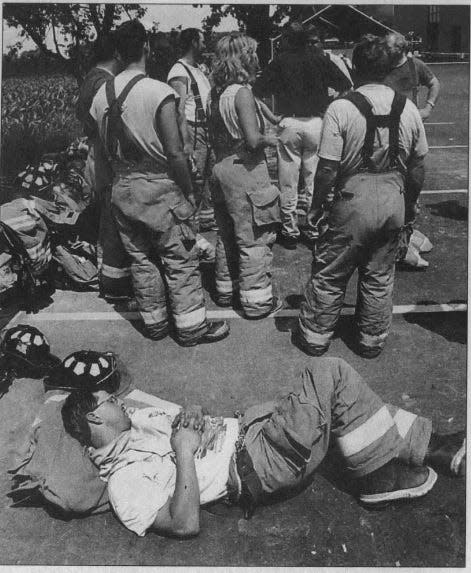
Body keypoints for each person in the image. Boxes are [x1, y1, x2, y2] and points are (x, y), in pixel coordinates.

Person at [62, 355, 465, 538]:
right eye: (108, 401)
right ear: (94, 419)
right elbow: (184, 524)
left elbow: (184, 413)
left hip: (253, 429)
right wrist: (184, 450)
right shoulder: (123, 482)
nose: (119, 401)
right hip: (258, 463)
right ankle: (378, 478)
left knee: (341, 406)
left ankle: (432, 447)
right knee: (329, 374)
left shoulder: (140, 422)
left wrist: (196, 412)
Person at [89, 20, 229, 346]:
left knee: (141, 260)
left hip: (122, 186)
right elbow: (176, 153)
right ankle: (192, 327)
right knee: (180, 257)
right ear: (147, 47)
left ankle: (155, 324)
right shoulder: (158, 91)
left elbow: (100, 152)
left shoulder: (100, 96)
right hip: (159, 185)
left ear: (118, 52)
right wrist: (190, 192)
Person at [294, 35, 428, 359]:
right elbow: (419, 164)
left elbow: (327, 168)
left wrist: (314, 209)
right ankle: (371, 339)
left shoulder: (341, 107)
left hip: (352, 199)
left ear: (354, 67)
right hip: (394, 197)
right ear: (389, 68)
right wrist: (408, 204)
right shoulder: (408, 107)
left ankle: (316, 335)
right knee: (380, 274)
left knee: (330, 271)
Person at [254, 22, 351, 250]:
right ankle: (313, 227)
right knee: (313, 179)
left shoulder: (279, 61)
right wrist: (328, 107)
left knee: (288, 180)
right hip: (316, 122)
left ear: (287, 39)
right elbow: (346, 86)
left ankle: (289, 230)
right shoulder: (320, 58)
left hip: (289, 122)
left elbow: (256, 93)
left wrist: (272, 117)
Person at [207, 33, 282, 318]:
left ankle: (225, 288)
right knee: (254, 237)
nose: (257, 58)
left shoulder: (217, 93)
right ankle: (256, 301)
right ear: (244, 57)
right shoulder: (242, 92)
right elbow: (252, 139)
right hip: (246, 170)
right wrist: (271, 139)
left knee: (227, 233)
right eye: (253, 53)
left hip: (221, 168)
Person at [76, 33, 133, 302]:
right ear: (117, 54)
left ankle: (109, 276)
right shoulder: (105, 83)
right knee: (112, 222)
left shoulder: (90, 77)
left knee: (106, 217)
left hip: (94, 154)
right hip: (103, 157)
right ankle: (113, 282)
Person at [384, 31, 440, 270]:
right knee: (393, 186)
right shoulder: (381, 66)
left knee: (414, 182)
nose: (384, 50)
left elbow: (434, 83)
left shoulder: (415, 65)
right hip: (387, 133)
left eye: (387, 46)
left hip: (412, 128)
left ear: (399, 48)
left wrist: (428, 107)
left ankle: (407, 232)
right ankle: (398, 245)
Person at [167, 28, 217, 232]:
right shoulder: (179, 72)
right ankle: (189, 227)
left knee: (208, 179)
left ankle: (206, 222)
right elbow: (178, 111)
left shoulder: (197, 68)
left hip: (206, 129)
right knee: (193, 179)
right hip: (193, 130)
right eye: (202, 41)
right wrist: (186, 142)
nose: (205, 45)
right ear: (194, 43)